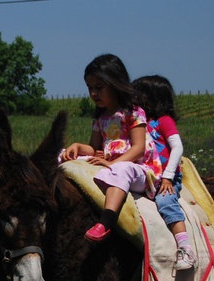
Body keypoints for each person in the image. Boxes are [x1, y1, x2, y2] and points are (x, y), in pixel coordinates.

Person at [60, 54, 164, 245]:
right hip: (110, 165)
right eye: (90, 88)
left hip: (139, 170)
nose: (93, 93)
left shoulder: (132, 112)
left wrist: (112, 164)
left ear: (115, 84)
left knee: (122, 170)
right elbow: (93, 147)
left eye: (99, 88)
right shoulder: (100, 117)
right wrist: (76, 147)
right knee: (61, 156)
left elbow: (139, 148)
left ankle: (106, 222)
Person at [133, 75, 195, 270]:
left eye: (139, 95)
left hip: (166, 177)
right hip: (148, 175)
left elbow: (177, 148)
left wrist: (168, 176)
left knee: (165, 201)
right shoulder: (140, 122)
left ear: (151, 98)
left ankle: (185, 247)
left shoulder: (163, 121)